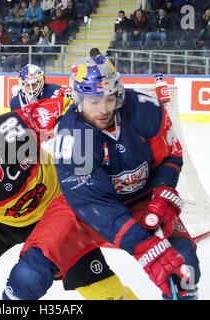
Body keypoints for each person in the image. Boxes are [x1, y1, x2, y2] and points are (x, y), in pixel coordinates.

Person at [0, 99, 137, 300]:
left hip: (54, 212)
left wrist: (90, 147)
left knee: (100, 287)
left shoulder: (16, 131)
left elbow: (68, 106)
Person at [54, 56, 200, 300]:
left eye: (110, 98)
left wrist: (162, 191)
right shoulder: (72, 137)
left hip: (145, 198)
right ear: (78, 100)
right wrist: (145, 246)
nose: (103, 109)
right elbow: (94, 203)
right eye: (94, 101)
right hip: (99, 212)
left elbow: (171, 155)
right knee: (46, 261)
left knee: (186, 266)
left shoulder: (144, 108)